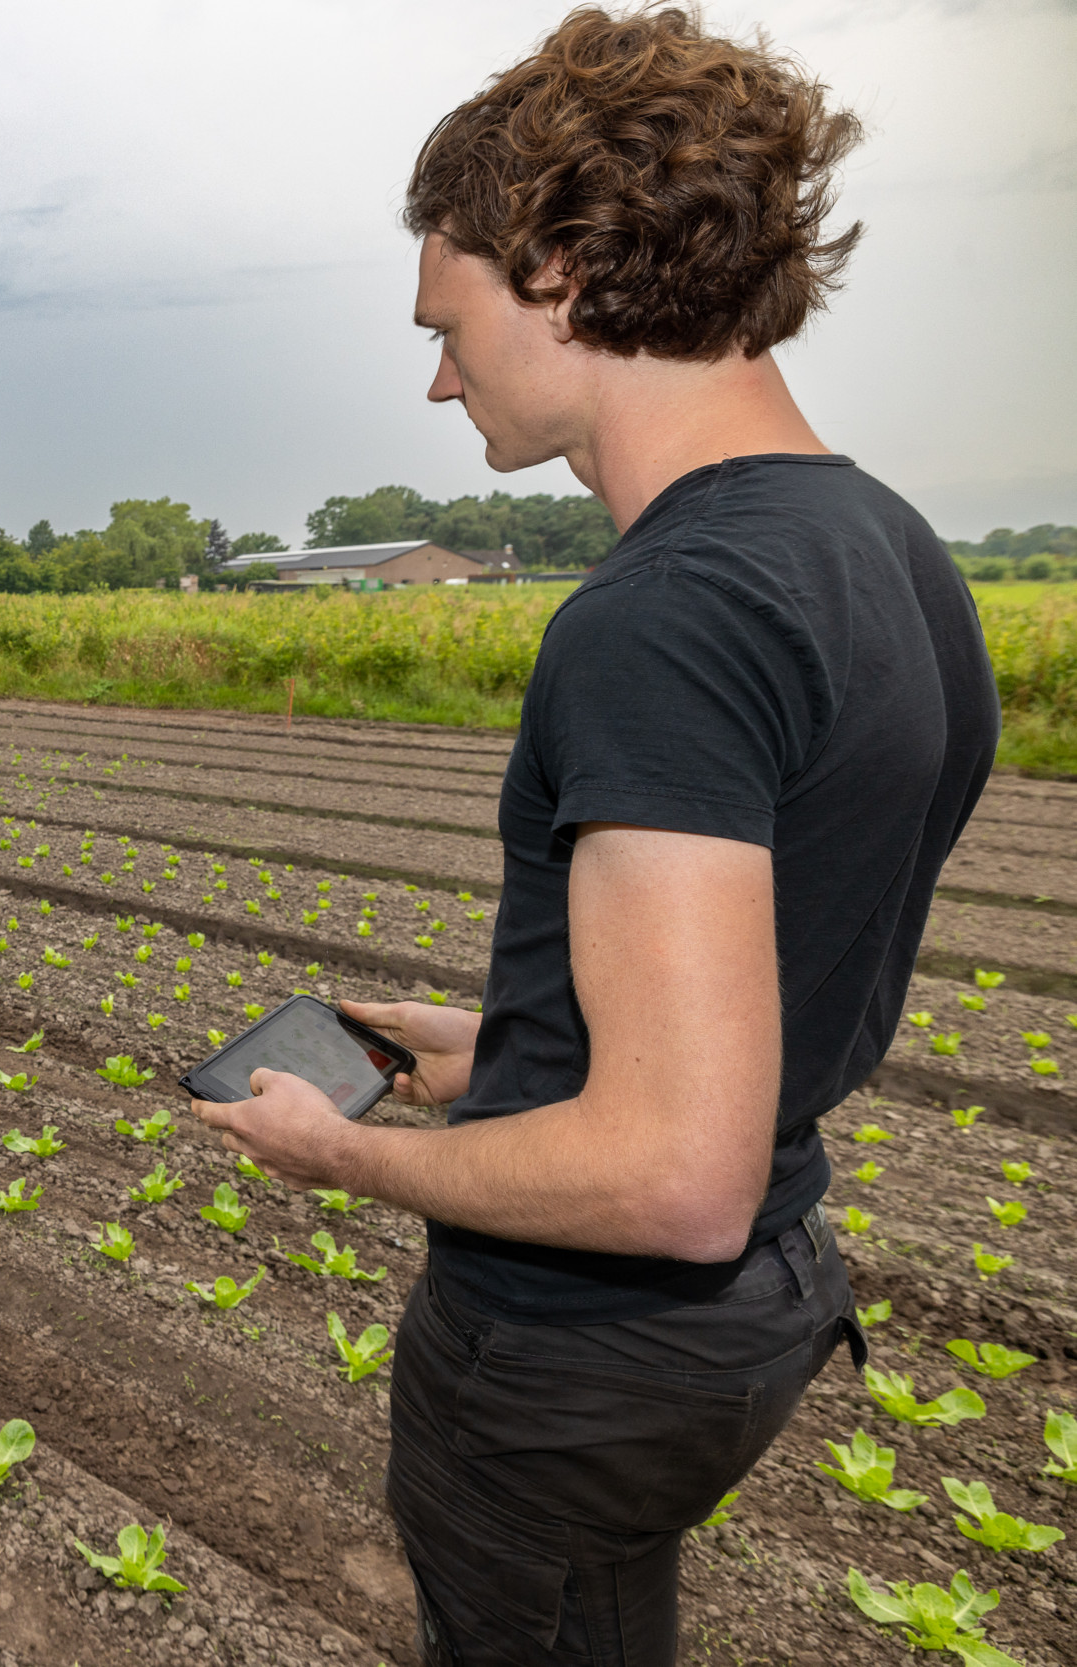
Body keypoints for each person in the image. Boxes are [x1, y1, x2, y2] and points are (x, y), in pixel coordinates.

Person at [191, 8, 999, 1662]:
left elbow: (670, 1174)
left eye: (449, 319)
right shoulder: (883, 547)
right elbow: (767, 998)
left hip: (582, 1356)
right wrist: (501, 1053)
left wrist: (346, 1151)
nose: (437, 371)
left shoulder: (665, 614)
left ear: (561, 263)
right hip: (762, 1301)